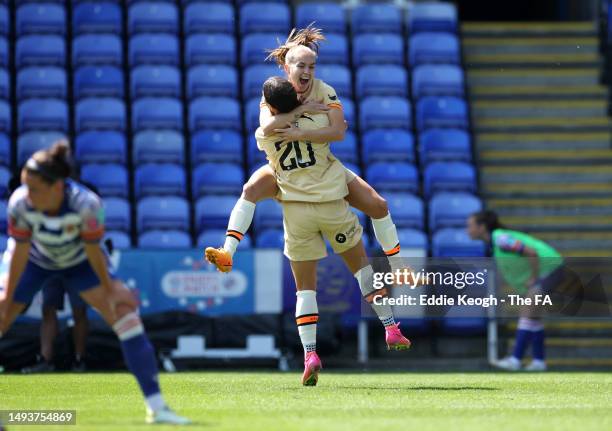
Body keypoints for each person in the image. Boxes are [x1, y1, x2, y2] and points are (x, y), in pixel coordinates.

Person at [0, 141, 190, 424]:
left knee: (125, 313)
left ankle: (158, 407)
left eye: (34, 188)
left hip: (80, 263)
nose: (27, 194)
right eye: (25, 186)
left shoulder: (87, 204)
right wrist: (7, 294)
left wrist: (110, 288)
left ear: (56, 187)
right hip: (35, 262)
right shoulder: (20, 202)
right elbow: (20, 251)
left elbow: (93, 250)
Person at [206, 26, 406, 278]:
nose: (308, 72)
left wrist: (299, 132)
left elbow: (338, 132)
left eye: (312, 67)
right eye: (302, 66)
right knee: (250, 190)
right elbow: (267, 127)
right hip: (286, 172)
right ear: (287, 68)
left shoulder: (325, 91)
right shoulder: (273, 92)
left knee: (378, 205)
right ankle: (227, 251)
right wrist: (299, 112)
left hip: (323, 168)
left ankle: (399, 268)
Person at [254, 77, 411, 386]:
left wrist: (285, 116)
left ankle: (310, 354)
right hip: (330, 203)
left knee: (305, 291)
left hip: (297, 213)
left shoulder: (266, 137)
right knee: (362, 272)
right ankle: (391, 326)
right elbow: (338, 130)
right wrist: (304, 112)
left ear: (270, 106)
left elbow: (263, 128)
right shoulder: (315, 117)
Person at [467, 210, 564, 372]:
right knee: (534, 317)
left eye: (470, 226)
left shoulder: (500, 238)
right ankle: (539, 361)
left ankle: (516, 359)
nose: (467, 230)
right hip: (551, 269)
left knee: (527, 312)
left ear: (482, 227)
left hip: (549, 268)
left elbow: (531, 253)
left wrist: (533, 278)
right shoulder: (495, 241)